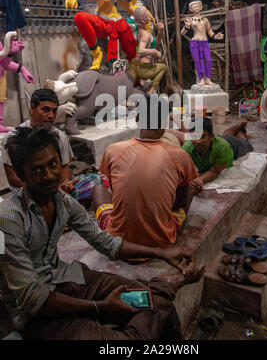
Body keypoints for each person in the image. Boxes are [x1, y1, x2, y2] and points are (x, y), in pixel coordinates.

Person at [0, 126, 205, 340]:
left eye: (52, 165)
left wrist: (162, 253)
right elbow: (31, 297)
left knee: (148, 301)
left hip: (65, 279)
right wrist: (98, 307)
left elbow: (108, 243)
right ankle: (165, 287)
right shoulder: (8, 219)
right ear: (22, 175)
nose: (50, 175)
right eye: (37, 170)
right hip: (36, 314)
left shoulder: (63, 203)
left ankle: (161, 291)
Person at [96, 94, 199, 248]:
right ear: (164, 125)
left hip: (118, 243)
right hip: (161, 240)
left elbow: (113, 188)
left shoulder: (113, 150)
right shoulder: (180, 156)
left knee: (98, 189)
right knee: (190, 187)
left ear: (137, 119)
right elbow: (180, 202)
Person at [1, 88, 73, 191]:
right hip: (25, 194)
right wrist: (42, 192)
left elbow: (65, 167)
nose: (51, 116)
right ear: (32, 108)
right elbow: (13, 178)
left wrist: (63, 186)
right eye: (46, 110)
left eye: (54, 111)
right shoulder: (12, 138)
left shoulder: (60, 137)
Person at [183, 117, 253, 195]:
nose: (197, 141)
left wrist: (200, 179)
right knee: (226, 135)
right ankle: (238, 126)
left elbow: (214, 171)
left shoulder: (223, 147)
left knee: (245, 143)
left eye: (202, 136)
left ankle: (240, 131)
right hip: (220, 140)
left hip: (233, 146)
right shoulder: (187, 148)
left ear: (211, 136)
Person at [181, 0, 223, 87]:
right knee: (198, 61)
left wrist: (216, 36)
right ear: (191, 9)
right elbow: (182, 33)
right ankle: (201, 80)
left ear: (201, 7)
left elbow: (209, 31)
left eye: (198, 6)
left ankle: (208, 79)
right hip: (195, 42)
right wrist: (187, 27)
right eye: (194, 6)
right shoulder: (190, 20)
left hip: (204, 42)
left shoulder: (205, 20)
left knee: (208, 60)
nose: (196, 8)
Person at [128, 6, 167, 93]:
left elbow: (154, 44)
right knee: (163, 67)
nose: (149, 15)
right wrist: (154, 52)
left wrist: (160, 32)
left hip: (141, 65)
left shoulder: (142, 31)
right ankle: (151, 90)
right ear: (143, 20)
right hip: (143, 67)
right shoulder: (145, 34)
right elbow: (141, 50)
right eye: (147, 14)